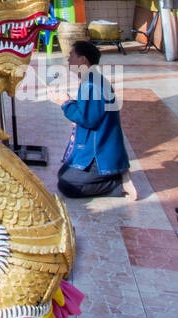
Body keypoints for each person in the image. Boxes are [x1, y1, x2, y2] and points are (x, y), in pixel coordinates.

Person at [49, 40, 137, 199]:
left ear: (83, 60)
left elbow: (89, 120)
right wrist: (69, 101)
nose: (68, 60)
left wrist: (65, 103)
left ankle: (117, 182)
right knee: (64, 173)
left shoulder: (91, 84)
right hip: (99, 144)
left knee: (67, 185)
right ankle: (112, 177)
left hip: (100, 150)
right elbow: (89, 111)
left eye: (71, 56)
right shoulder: (92, 80)